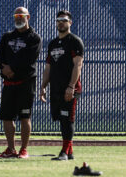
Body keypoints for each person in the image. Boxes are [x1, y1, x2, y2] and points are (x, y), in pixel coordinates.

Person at [0, 7, 42, 159]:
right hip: (9, 82)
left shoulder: (34, 38)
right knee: (7, 117)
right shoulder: (7, 36)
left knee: (24, 117)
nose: (18, 19)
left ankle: (23, 150)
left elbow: (29, 59)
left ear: (28, 17)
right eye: (16, 16)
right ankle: (10, 149)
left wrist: (12, 68)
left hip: (26, 82)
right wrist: (4, 68)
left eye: (21, 16)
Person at [40, 10, 84, 161]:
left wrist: (71, 86)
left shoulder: (75, 41)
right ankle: (69, 152)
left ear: (70, 23)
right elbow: (48, 67)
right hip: (56, 88)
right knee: (61, 119)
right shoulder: (52, 44)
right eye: (58, 20)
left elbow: (78, 65)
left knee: (67, 119)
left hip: (69, 88)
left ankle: (64, 152)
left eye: (64, 20)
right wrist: (43, 86)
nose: (61, 23)